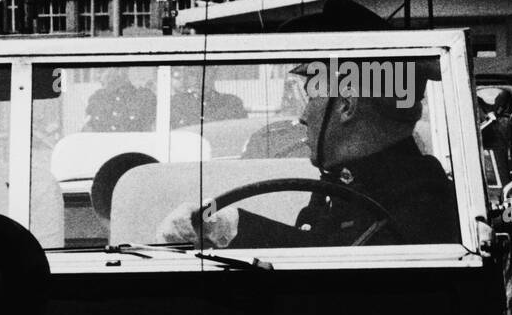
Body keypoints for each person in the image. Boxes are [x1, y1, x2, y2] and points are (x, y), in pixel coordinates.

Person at [157, 56, 461, 248]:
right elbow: (315, 242)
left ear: (346, 105)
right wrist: (211, 219)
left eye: (312, 95)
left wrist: (234, 226)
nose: (303, 115)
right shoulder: (347, 183)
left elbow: (341, 277)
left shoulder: (422, 199)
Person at [83, 68, 155, 132]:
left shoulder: (144, 97)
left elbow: (153, 131)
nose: (98, 75)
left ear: (120, 70)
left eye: (103, 70)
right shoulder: (96, 98)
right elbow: (88, 131)